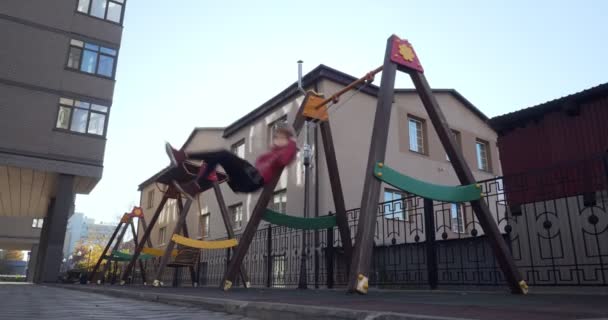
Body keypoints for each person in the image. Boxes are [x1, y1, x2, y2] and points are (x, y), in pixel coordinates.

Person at [166, 124, 298, 200]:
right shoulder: (273, 152)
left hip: (253, 180)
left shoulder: (286, 151)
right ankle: (183, 156)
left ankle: (195, 185)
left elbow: (284, 159)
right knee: (217, 156)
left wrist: (291, 143)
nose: (277, 140)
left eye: (282, 138)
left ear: (288, 140)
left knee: (224, 154)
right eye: (277, 137)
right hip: (246, 177)